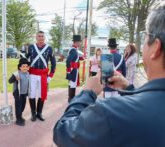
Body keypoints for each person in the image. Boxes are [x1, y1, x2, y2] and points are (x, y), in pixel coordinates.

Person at [53, 5, 165, 147]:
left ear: (155, 47)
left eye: (145, 37)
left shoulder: (111, 111)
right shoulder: (119, 56)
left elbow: (62, 132)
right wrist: (130, 90)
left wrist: (87, 94)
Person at [26, 31, 56, 121]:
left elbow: (53, 63)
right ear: (36, 37)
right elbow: (25, 60)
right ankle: (33, 113)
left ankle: (39, 113)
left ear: (44, 37)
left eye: (42, 36)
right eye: (39, 36)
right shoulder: (31, 47)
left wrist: (50, 75)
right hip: (32, 75)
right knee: (32, 94)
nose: (41, 38)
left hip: (43, 75)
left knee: (41, 94)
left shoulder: (49, 48)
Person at [8, 58, 30, 126]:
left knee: (23, 106)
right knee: (18, 106)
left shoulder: (27, 73)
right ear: (20, 67)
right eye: (23, 66)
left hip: (24, 93)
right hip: (18, 93)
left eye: (26, 66)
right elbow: (10, 81)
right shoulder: (16, 74)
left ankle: (20, 116)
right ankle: (18, 119)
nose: (25, 68)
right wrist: (15, 78)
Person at [66, 35, 84, 103]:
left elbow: (74, 59)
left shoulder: (74, 49)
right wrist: (69, 70)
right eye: (80, 42)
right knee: (72, 84)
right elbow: (68, 60)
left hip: (73, 69)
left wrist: (80, 58)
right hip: (73, 69)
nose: (80, 43)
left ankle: (70, 98)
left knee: (71, 84)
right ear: (76, 42)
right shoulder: (73, 50)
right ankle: (72, 99)